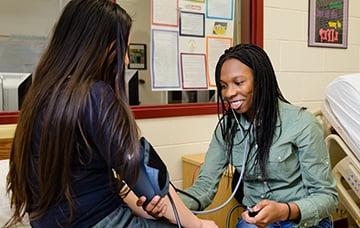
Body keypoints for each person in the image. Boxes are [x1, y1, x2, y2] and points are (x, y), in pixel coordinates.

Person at [6, 0, 217, 227]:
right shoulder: (95, 95)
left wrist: (146, 206)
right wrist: (200, 225)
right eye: (124, 47)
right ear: (102, 46)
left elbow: (96, 176)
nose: (126, 59)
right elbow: (140, 168)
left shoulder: (41, 95)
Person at [179, 44, 338, 227]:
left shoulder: (302, 124)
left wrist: (285, 210)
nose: (229, 93)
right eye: (224, 86)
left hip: (301, 220)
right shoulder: (227, 128)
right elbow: (204, 187)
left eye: (239, 83)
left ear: (261, 80)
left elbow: (327, 197)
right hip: (255, 222)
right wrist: (169, 203)